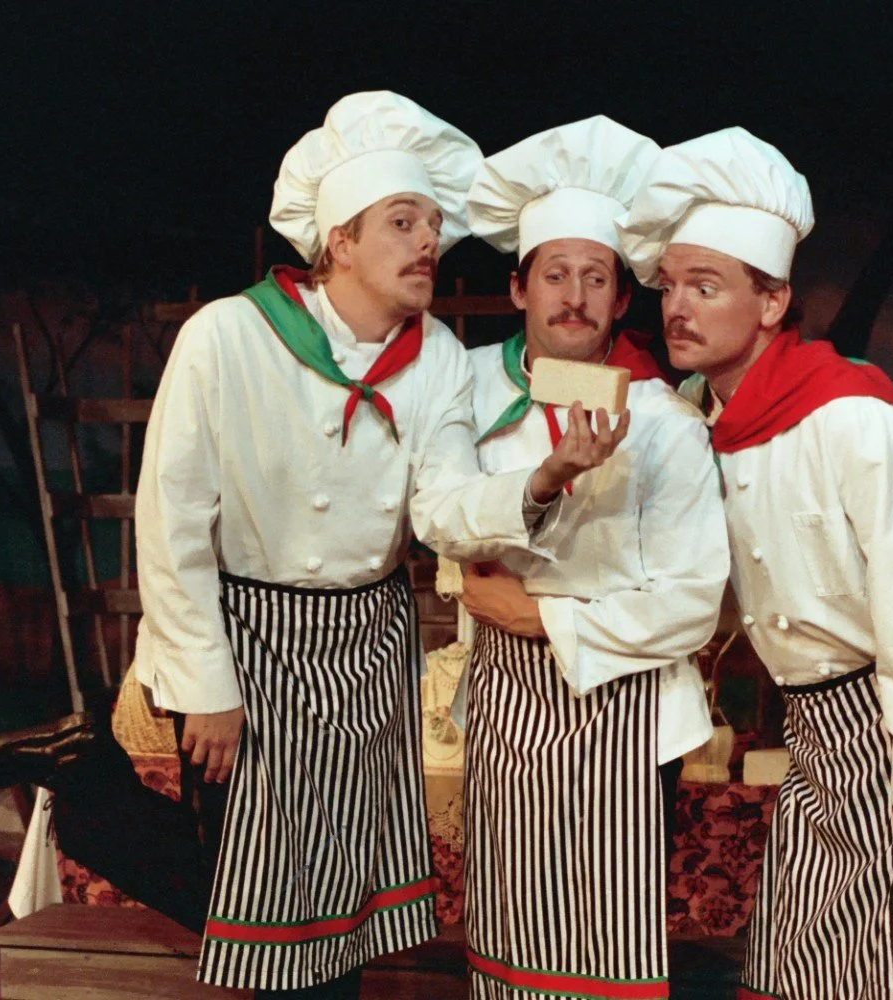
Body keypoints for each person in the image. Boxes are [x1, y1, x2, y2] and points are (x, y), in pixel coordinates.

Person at [132, 91, 628, 1000]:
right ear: (338, 243)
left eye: (434, 224)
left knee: (349, 921)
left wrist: (541, 479)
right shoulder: (226, 339)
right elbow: (170, 527)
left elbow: (441, 505)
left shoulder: (433, 353)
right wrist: (204, 685)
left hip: (368, 643)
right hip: (254, 642)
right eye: (403, 222)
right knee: (261, 912)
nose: (428, 242)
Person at [618, 128, 893, 1000]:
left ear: (772, 304)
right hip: (821, 726)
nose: (678, 308)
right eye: (670, 285)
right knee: (799, 965)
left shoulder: (852, 416)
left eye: (707, 285)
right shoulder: (698, 419)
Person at [453, 116, 728, 1000]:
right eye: (556, 274)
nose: (574, 296)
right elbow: (439, 523)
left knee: (602, 966)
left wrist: (533, 613)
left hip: (627, 728)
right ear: (518, 287)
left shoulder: (668, 425)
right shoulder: (462, 392)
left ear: (620, 300)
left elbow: (690, 605)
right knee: (505, 960)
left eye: (596, 277)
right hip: (505, 722)